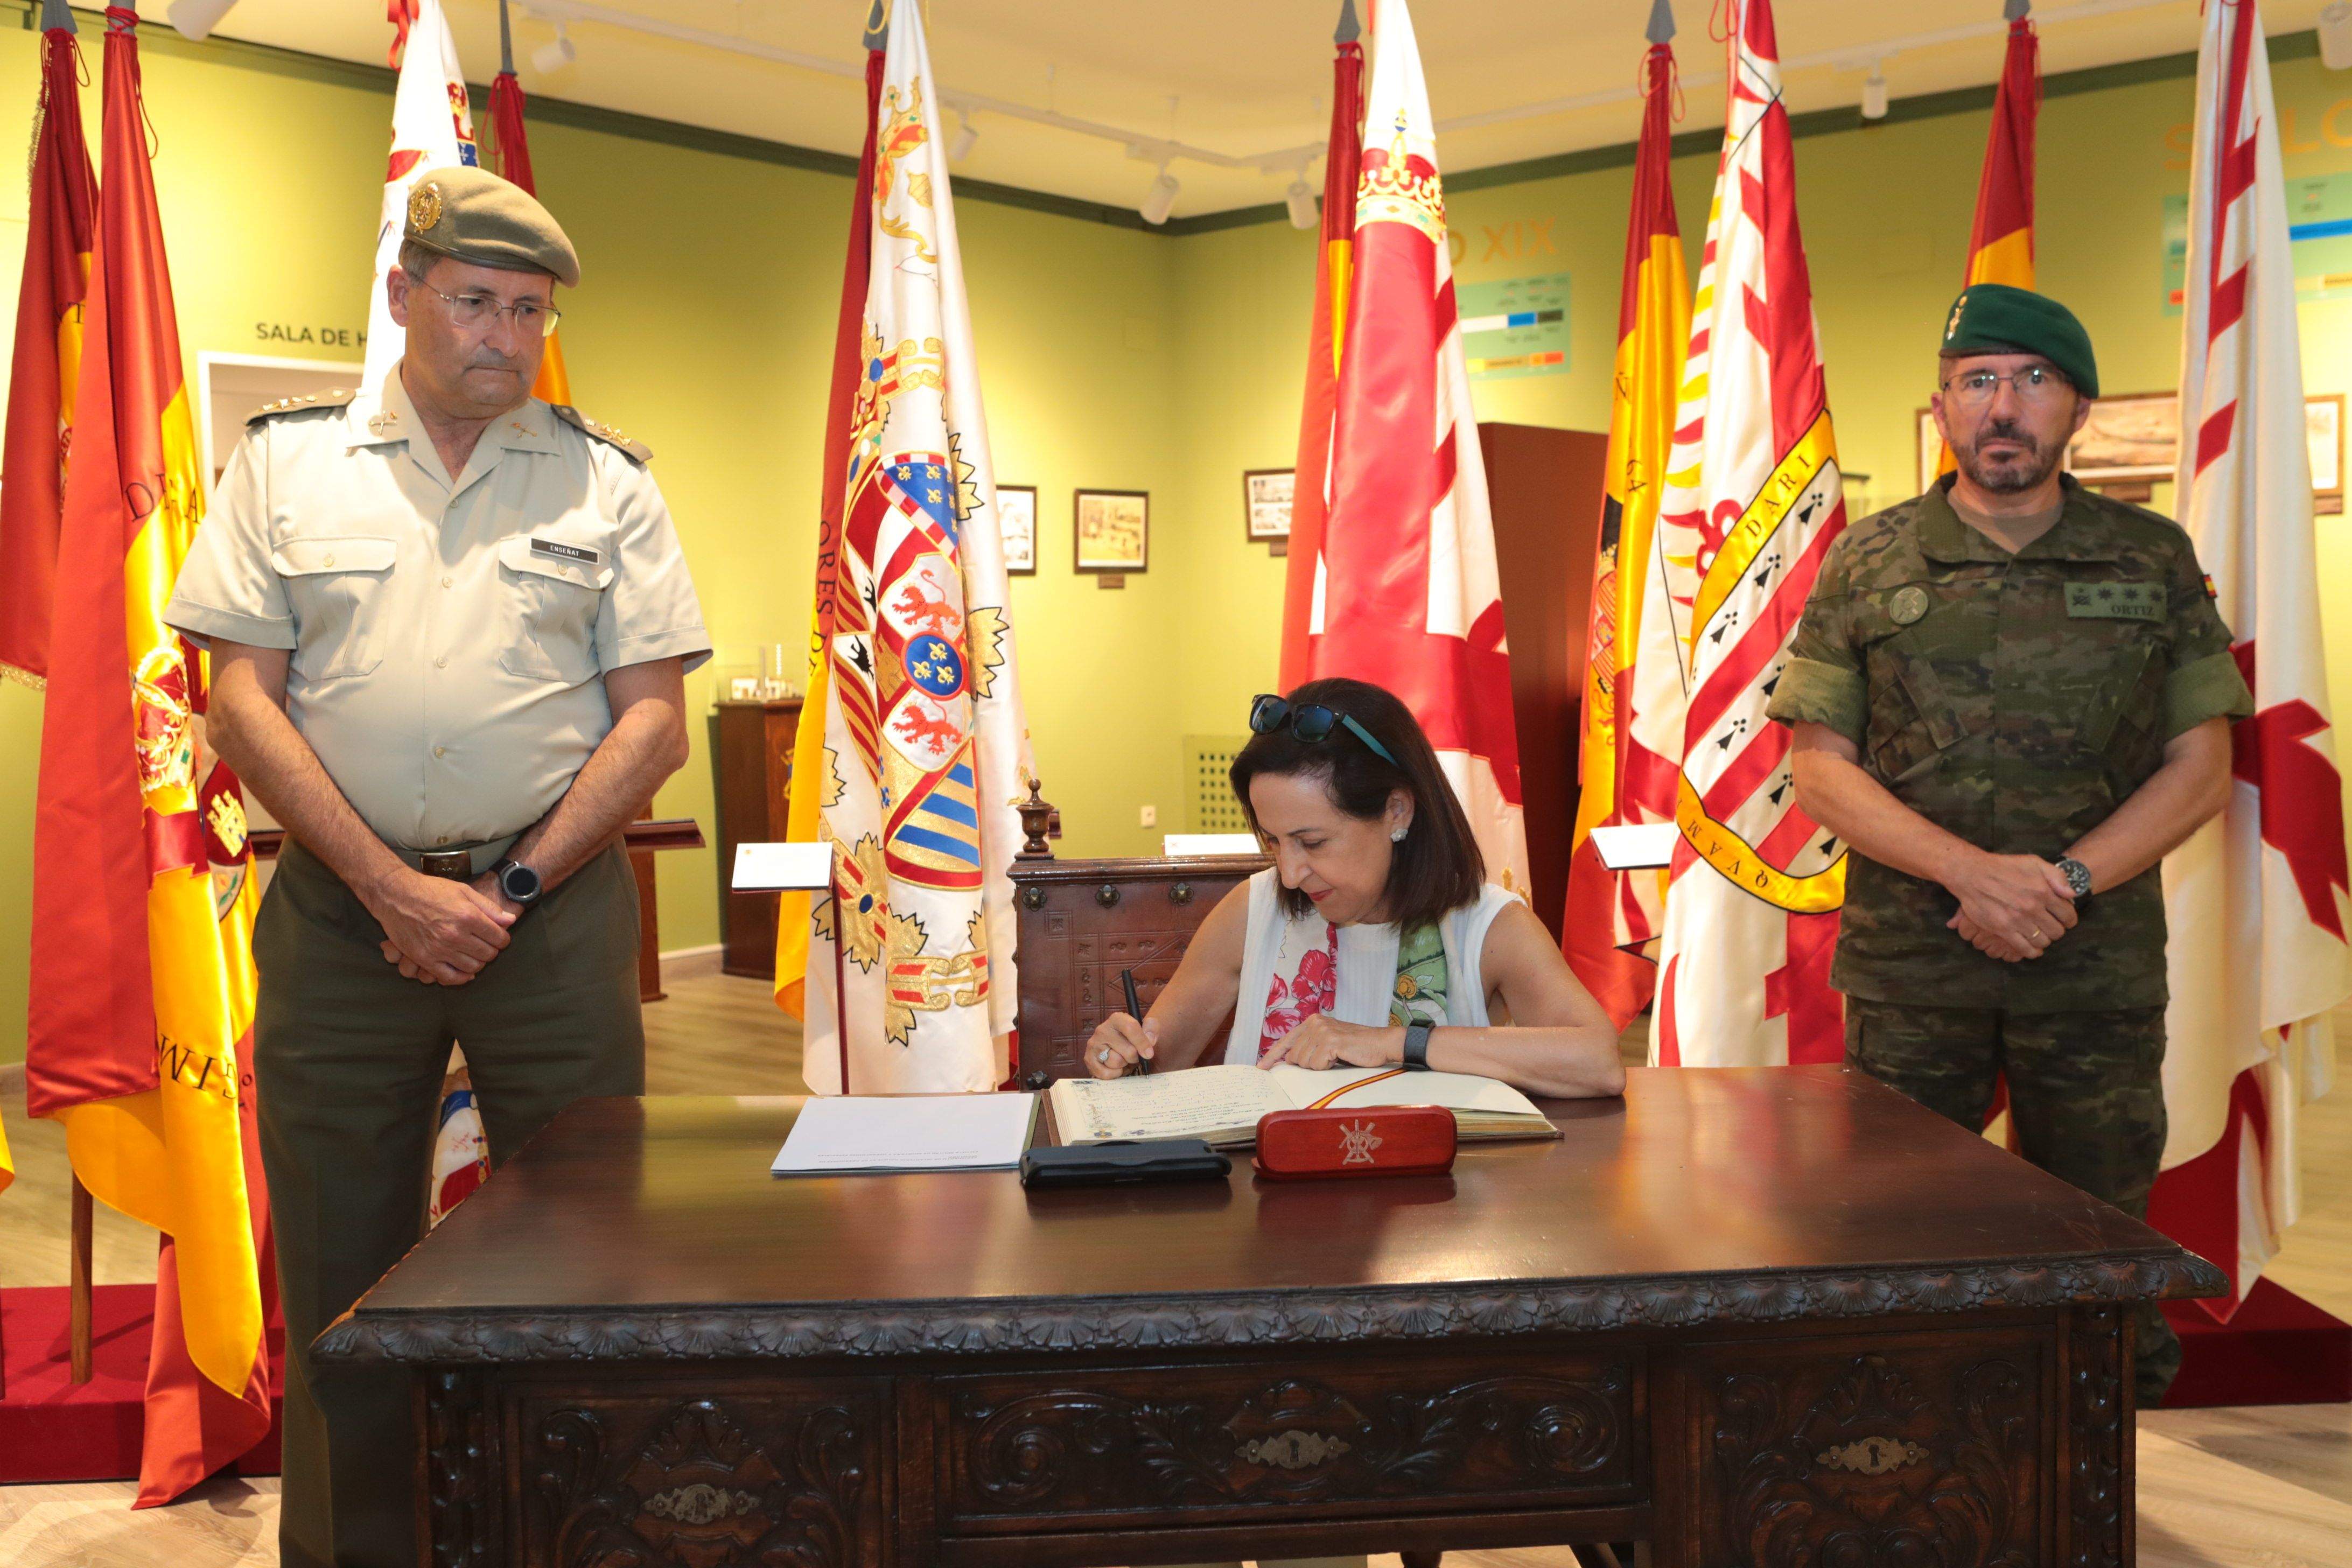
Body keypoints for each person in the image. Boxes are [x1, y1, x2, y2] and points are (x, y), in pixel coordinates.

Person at [164, 167, 710, 1568]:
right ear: (402, 293)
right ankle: (362, 1553)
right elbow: (240, 702)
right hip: (343, 924)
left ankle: (572, 1536)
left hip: (557, 920)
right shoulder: (284, 466)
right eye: (475, 301)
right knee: (347, 1276)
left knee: (586, 1260)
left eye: (527, 311)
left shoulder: (607, 479)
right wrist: (395, 891)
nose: (504, 337)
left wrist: (506, 890)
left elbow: (654, 724)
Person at [1766, 283, 2253, 1405]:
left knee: (2097, 1241)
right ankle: (1907, 1462)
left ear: (2077, 407)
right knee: (1899, 1238)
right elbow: (1820, 766)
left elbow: (2202, 766)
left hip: (2093, 971)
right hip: (1914, 968)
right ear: (1942, 405)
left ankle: (2086, 1477)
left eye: (2033, 380)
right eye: (1978, 380)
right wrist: (1973, 875)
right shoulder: (1869, 560)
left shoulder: (2152, 555)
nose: (2004, 406)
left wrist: (2065, 884)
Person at [1087, 677, 1624, 1100]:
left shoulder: (1487, 925)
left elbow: (1598, 1061)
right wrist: (1122, 1055)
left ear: (1397, 810)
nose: (1290, 873)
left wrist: (1390, 1042)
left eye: (1313, 842)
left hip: (1442, 1226)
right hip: (1272, 1225)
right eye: (1273, 840)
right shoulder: (1253, 910)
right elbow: (1156, 1067)